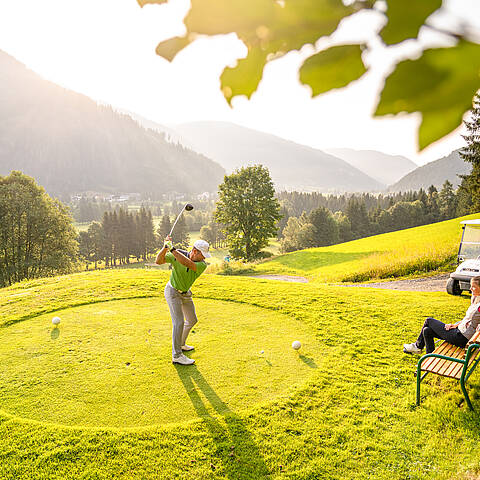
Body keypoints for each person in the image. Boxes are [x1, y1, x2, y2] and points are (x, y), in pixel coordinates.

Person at [156, 236, 211, 365]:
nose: (204, 258)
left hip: (186, 293)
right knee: (179, 322)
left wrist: (172, 248)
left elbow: (188, 263)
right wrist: (165, 247)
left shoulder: (202, 265)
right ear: (195, 251)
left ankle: (181, 344)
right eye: (202, 255)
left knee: (192, 320)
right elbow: (159, 261)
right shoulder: (178, 253)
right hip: (173, 292)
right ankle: (177, 355)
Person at [403, 276, 480, 354]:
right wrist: (455, 325)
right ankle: (430, 359)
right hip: (460, 332)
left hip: (461, 337)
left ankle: (417, 346)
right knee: (427, 330)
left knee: (429, 321)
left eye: (473, 287)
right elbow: (469, 319)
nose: (470, 289)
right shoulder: (476, 299)